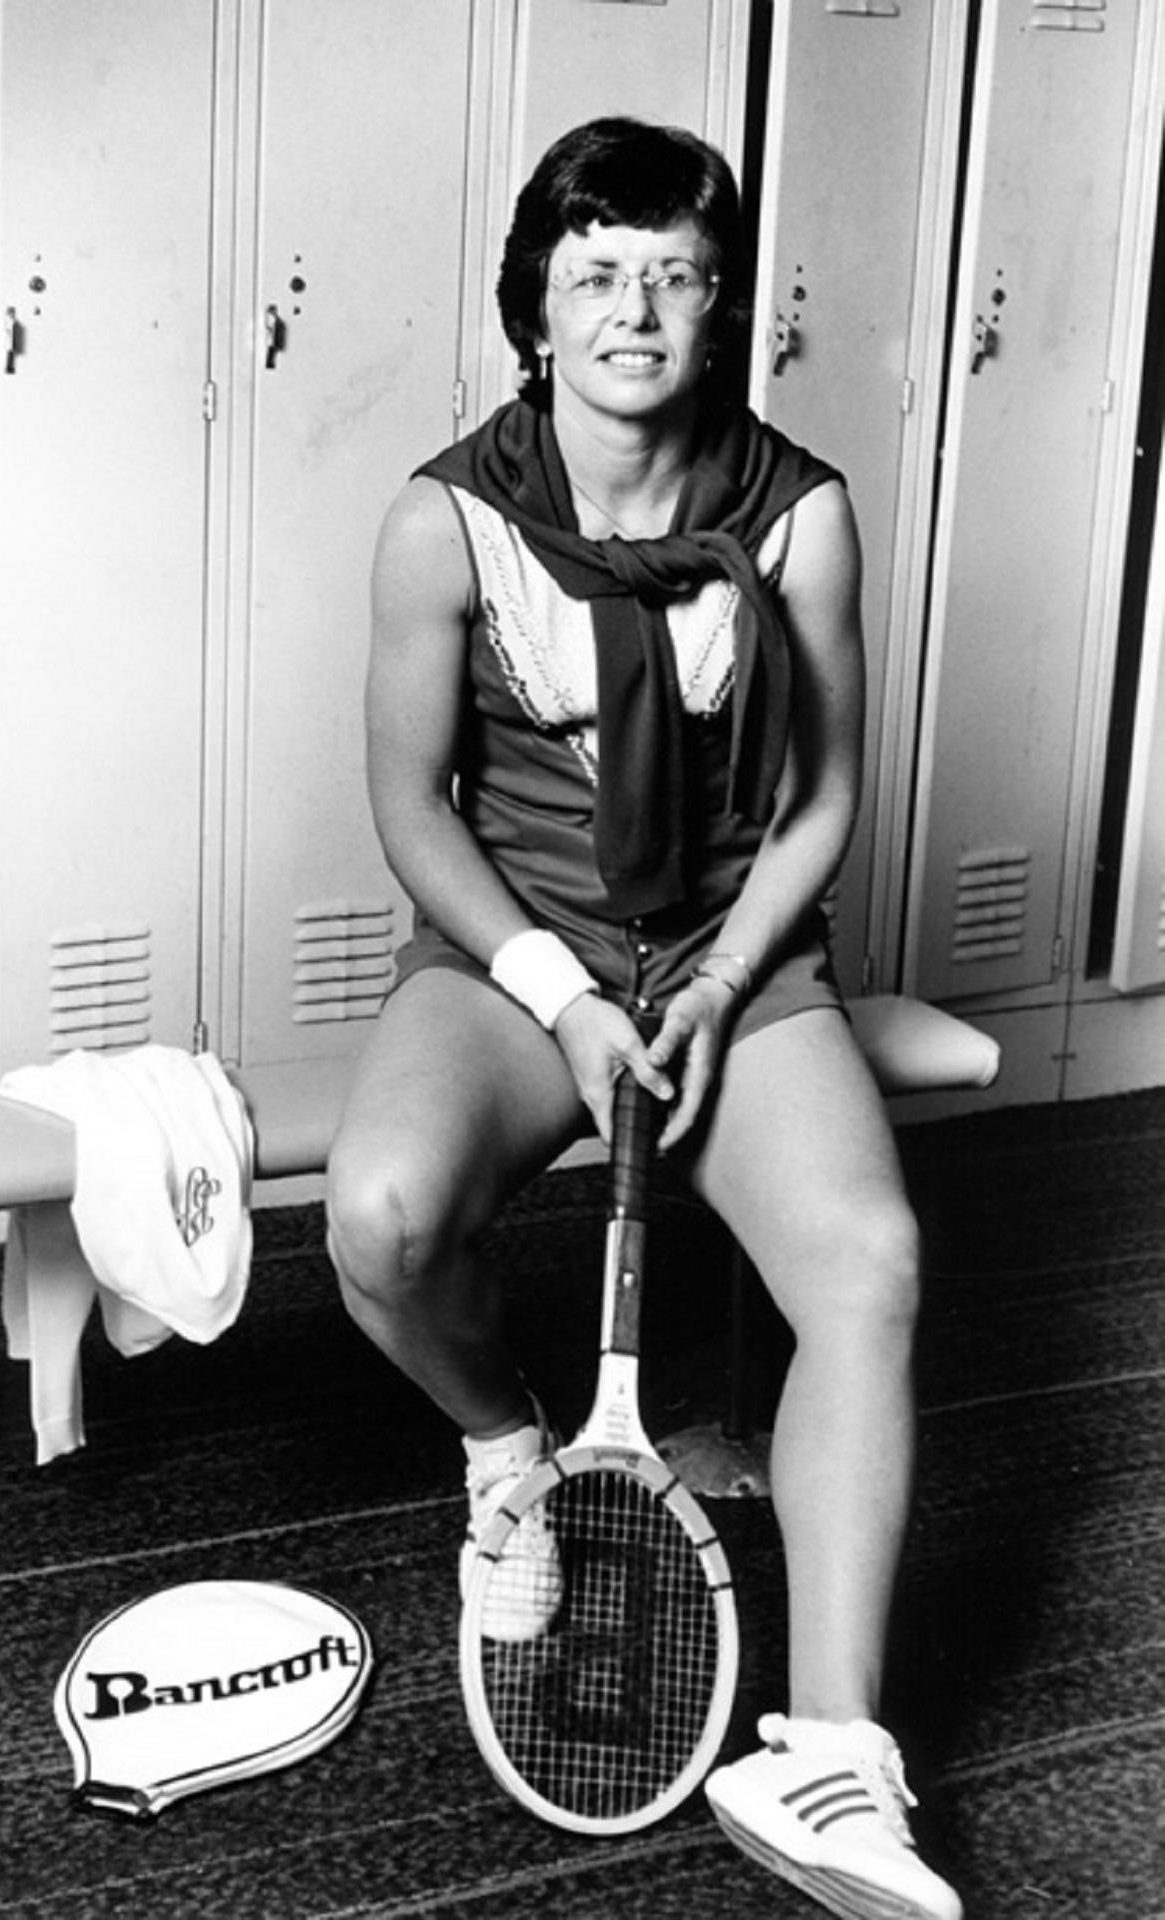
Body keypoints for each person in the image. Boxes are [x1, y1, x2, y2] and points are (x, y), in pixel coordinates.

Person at [326, 117, 961, 1920]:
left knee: (869, 1262)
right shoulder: (443, 516)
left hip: (731, 956)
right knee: (378, 1219)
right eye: (597, 271)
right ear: (533, 308)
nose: (637, 308)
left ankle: (831, 1757)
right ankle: (506, 1458)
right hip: (512, 957)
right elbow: (411, 808)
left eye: (677, 274)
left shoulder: (801, 509)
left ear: (722, 308)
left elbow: (826, 796)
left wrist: (721, 976)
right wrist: (561, 995)